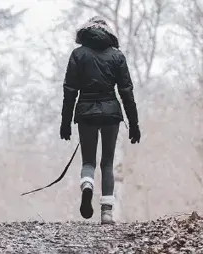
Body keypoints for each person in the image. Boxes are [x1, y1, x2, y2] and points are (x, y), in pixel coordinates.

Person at [60, 16, 141, 224]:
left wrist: (65, 121)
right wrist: (134, 124)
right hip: (111, 113)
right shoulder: (117, 57)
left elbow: (70, 90)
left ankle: (87, 184)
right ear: (108, 34)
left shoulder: (78, 54)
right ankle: (106, 212)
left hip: (85, 113)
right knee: (107, 162)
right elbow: (126, 91)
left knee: (88, 161)